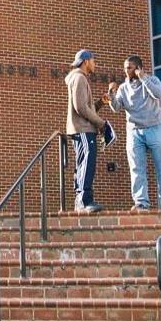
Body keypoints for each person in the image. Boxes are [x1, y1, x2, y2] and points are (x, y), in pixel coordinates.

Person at [107, 55, 161, 211]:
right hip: (134, 131)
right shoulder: (124, 88)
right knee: (137, 168)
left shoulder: (152, 80)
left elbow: (159, 94)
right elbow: (117, 107)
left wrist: (143, 78)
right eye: (125, 68)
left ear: (138, 68)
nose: (126, 70)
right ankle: (141, 203)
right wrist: (111, 94)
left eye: (129, 67)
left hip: (155, 128)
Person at [65, 49, 107, 213]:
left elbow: (86, 107)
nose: (94, 64)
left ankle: (81, 201)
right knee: (86, 163)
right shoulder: (79, 78)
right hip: (83, 129)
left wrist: (101, 103)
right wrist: (101, 123)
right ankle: (83, 201)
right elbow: (80, 107)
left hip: (82, 128)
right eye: (93, 61)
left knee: (83, 163)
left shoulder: (78, 78)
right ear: (86, 61)